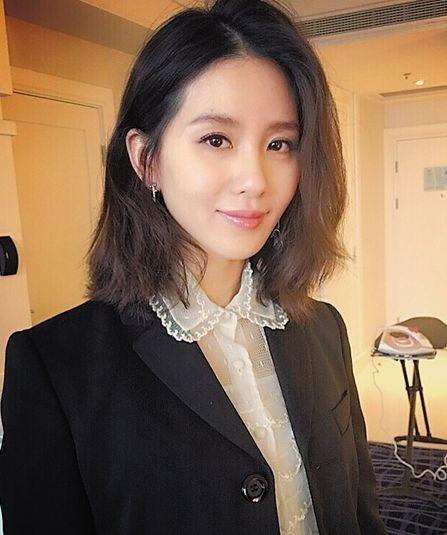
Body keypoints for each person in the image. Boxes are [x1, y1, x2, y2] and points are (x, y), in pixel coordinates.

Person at [0, 0, 387, 533]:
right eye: (216, 139)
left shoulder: (324, 328)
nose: (255, 180)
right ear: (147, 160)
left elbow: (360, 514)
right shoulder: (56, 368)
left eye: (279, 143)